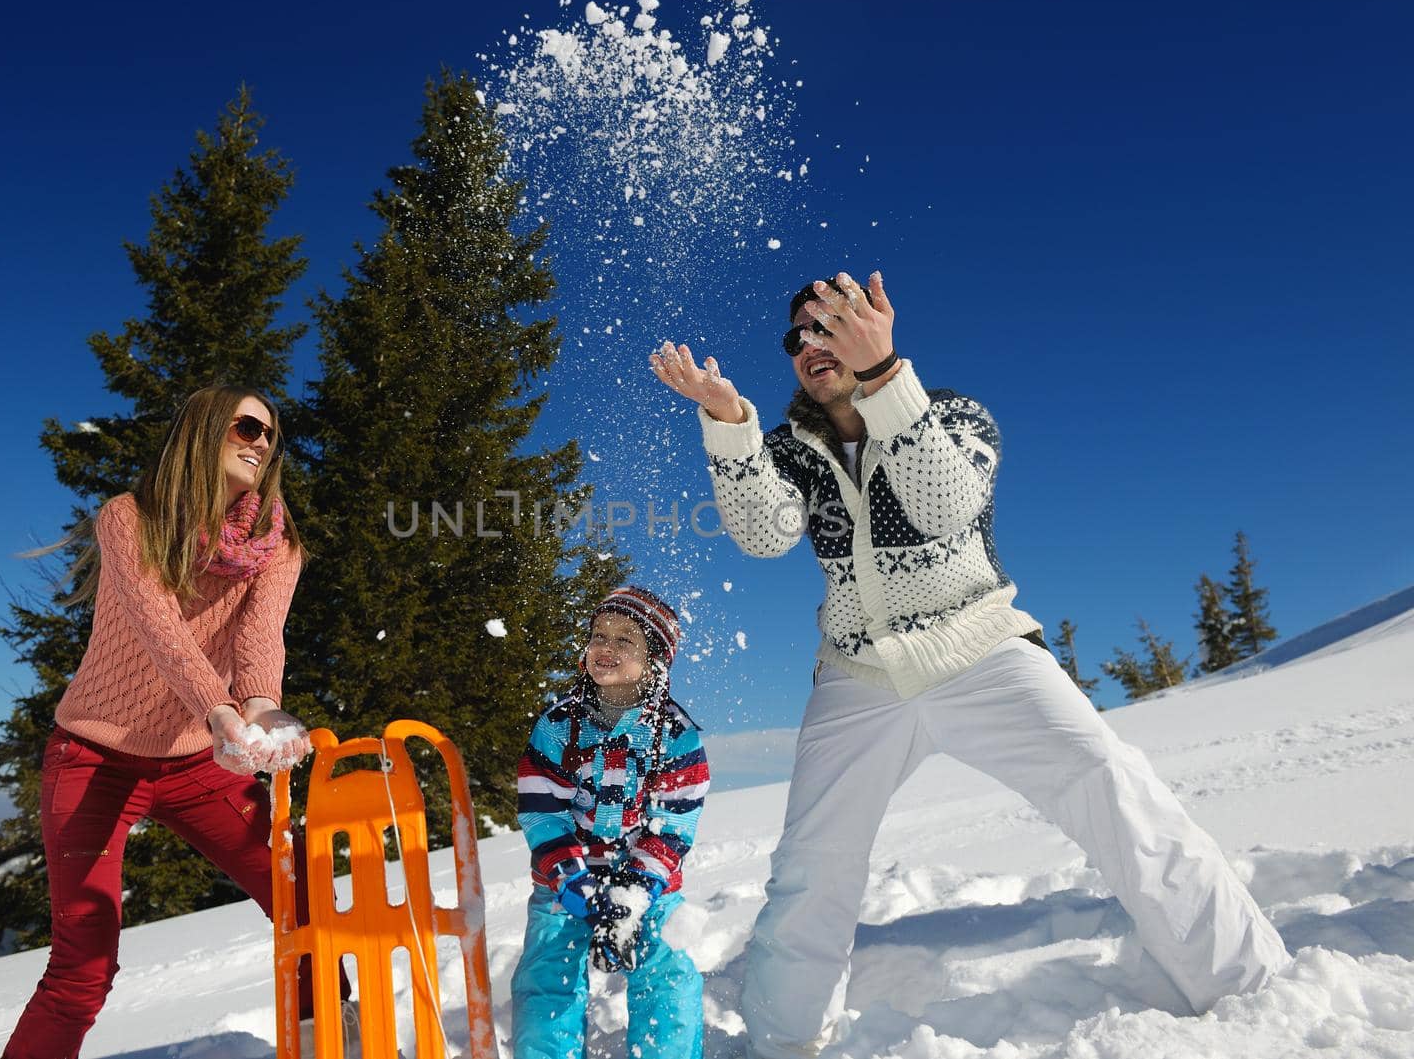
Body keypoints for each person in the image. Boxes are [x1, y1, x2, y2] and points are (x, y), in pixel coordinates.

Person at [649, 272, 1290, 1058]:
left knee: (1113, 788)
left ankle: (1252, 987)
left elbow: (945, 504)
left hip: (981, 649)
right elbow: (764, 533)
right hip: (860, 678)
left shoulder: (951, 413)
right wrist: (727, 420)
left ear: (872, 328)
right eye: (798, 337)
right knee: (812, 865)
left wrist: (887, 379)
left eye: (831, 325)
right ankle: (783, 1042)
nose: (812, 345)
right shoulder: (789, 450)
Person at [3, 385, 317, 1059]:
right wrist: (221, 711)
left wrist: (263, 707)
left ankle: (339, 1042)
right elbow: (161, 632)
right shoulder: (130, 518)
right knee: (82, 965)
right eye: (247, 425)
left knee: (304, 905)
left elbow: (261, 643)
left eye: (271, 433)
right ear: (205, 429)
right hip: (92, 758)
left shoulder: (275, 545)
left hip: (194, 767)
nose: (262, 441)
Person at [511, 587, 711, 1059]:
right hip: (564, 882)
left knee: (667, 977)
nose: (606, 646)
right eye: (599, 635)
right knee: (547, 982)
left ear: (656, 659)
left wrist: (634, 896)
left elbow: (673, 824)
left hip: (648, 887)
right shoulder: (558, 726)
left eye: (625, 640)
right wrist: (572, 883)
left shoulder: (677, 736)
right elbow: (543, 811)